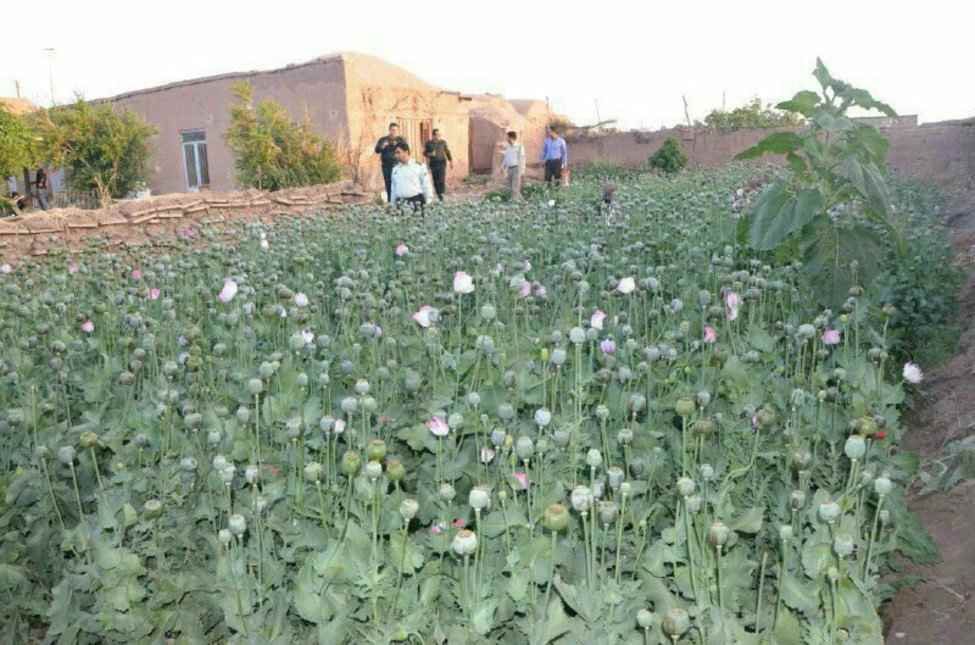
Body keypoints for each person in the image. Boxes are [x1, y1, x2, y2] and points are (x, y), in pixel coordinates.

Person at [390, 142, 433, 216]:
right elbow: (393, 189)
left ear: (406, 152)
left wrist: (429, 201)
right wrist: (392, 204)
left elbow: (426, 185)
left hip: (416, 202)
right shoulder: (395, 169)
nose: (396, 155)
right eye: (395, 153)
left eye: (398, 152)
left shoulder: (419, 166)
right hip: (400, 203)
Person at [374, 123, 406, 203]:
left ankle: (400, 202)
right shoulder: (383, 139)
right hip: (386, 166)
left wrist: (398, 147)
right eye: (392, 130)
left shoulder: (401, 140)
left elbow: (406, 151)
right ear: (389, 130)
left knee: (398, 183)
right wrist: (382, 146)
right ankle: (390, 202)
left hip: (398, 165)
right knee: (388, 184)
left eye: (395, 130)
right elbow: (377, 150)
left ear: (398, 131)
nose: (394, 132)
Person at [423, 128, 453, 202]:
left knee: (441, 179)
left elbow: (447, 151)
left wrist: (451, 161)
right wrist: (430, 154)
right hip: (433, 164)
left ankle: (441, 195)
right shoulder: (429, 143)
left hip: (442, 163)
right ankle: (438, 193)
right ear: (433, 135)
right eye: (436, 135)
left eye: (439, 135)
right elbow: (424, 153)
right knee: (435, 180)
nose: (438, 136)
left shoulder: (443, 142)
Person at [499, 131, 525, 200]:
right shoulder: (508, 147)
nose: (506, 139)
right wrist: (502, 167)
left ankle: (514, 201)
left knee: (515, 186)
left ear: (511, 138)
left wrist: (522, 170)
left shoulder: (519, 147)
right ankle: (520, 200)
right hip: (509, 169)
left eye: (507, 137)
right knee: (510, 185)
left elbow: (522, 159)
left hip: (516, 168)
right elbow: (506, 158)